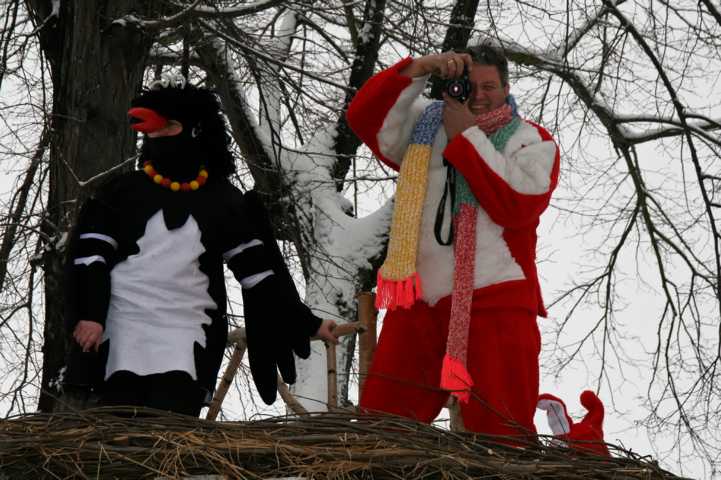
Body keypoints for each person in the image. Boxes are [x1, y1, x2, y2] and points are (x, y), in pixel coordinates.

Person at [64, 76, 337, 416]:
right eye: (152, 132)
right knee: (118, 429)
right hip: (121, 327)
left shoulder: (224, 200)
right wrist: (90, 315)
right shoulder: (118, 193)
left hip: (188, 331)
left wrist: (306, 322)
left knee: (172, 430)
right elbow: (90, 258)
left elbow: (261, 276)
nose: (158, 138)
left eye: (170, 127)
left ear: (196, 131)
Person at [346, 44, 559, 437]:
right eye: (468, 84)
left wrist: (466, 139)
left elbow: (519, 205)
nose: (478, 95)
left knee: (502, 433)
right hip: (419, 296)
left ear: (507, 87)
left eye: (489, 86)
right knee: (382, 426)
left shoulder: (531, 139)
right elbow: (363, 117)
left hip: (496, 296)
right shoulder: (426, 128)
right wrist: (420, 68)